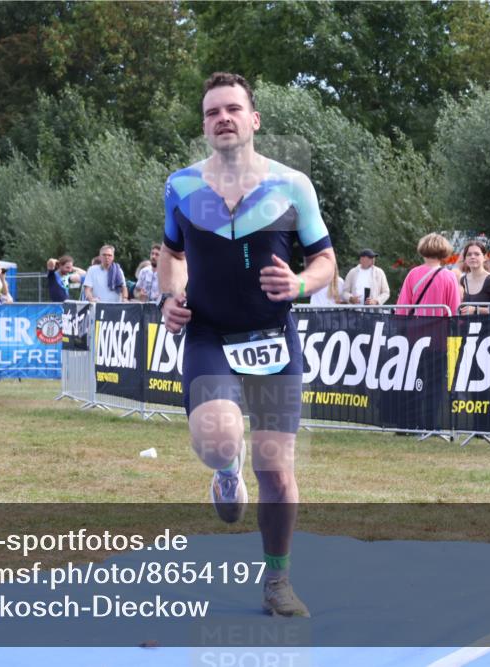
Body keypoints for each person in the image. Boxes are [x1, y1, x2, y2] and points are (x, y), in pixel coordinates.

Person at [159, 72, 335, 617]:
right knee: (217, 441)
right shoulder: (181, 187)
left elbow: (326, 261)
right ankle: (224, 470)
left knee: (277, 469)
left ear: (254, 119)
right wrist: (169, 297)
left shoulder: (292, 185)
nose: (224, 118)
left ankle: (277, 583)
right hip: (209, 332)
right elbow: (170, 253)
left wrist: (303, 284)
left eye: (233, 109)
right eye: (213, 112)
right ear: (205, 126)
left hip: (272, 337)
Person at [395, 233, 462, 317]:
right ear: (444, 251)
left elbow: (403, 305)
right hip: (441, 327)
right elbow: (454, 306)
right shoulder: (449, 276)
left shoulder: (413, 273)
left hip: (416, 326)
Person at [458, 240, 490, 314]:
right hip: (468, 324)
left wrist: (476, 310)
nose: (472, 257)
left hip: (488, 325)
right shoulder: (463, 280)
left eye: (477, 254)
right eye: (469, 254)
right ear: (465, 259)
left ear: (484, 257)